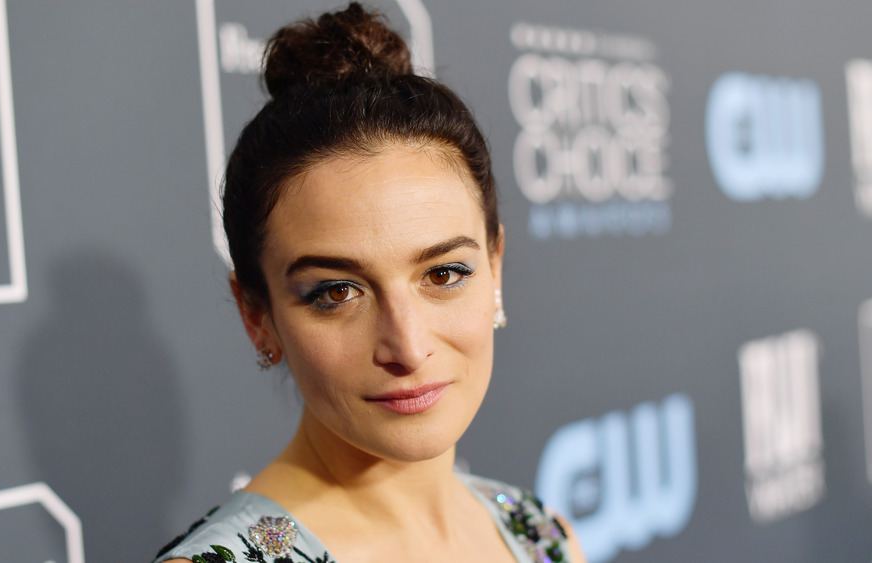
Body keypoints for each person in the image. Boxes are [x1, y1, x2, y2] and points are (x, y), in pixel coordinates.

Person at [154, 3, 584, 562]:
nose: (407, 347)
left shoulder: (539, 534)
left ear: (495, 269)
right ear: (256, 314)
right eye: (337, 292)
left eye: (444, 274)